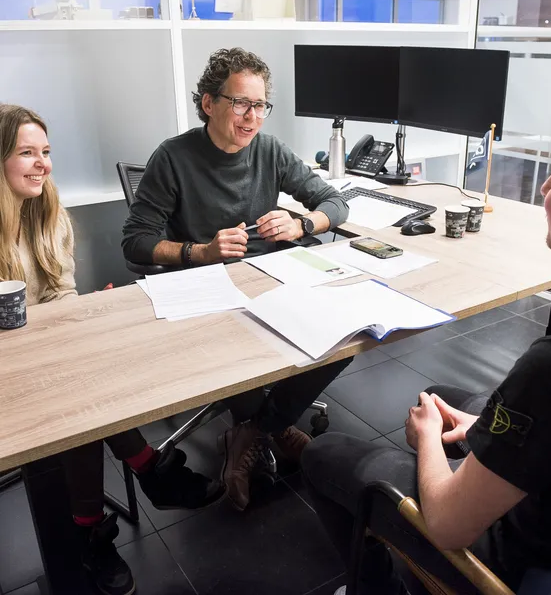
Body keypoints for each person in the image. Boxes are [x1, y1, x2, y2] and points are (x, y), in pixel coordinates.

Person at [302, 102, 551, 595]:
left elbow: (447, 525)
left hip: (516, 564)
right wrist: (488, 430)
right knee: (445, 395)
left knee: (325, 453)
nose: (544, 189)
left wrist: (425, 440)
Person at [0, 104, 224, 595]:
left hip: (50, 362)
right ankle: (149, 468)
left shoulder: (49, 214)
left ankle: (91, 533)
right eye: (26, 153)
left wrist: (82, 318)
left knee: (82, 393)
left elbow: (60, 292)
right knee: (77, 398)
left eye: (46, 152)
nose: (42, 164)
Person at [122, 47, 353, 512]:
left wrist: (302, 224)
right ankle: (273, 427)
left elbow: (335, 203)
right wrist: (200, 251)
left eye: (261, 105)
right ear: (209, 103)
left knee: (348, 330)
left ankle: (255, 430)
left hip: (270, 275)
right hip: (207, 287)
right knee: (240, 339)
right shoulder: (173, 157)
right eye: (241, 103)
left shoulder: (270, 151)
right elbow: (135, 241)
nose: (252, 118)